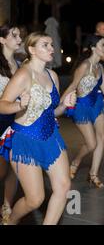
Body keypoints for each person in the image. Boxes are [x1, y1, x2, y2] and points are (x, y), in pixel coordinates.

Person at [0, 32, 76, 225]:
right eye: (45, 45)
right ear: (32, 50)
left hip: (51, 137)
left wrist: (65, 105)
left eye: (51, 45)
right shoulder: (23, 74)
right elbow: (2, 104)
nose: (51, 48)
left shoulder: (52, 75)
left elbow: (51, 111)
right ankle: (10, 221)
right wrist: (19, 106)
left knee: (64, 186)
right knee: (35, 200)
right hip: (25, 140)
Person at [62, 35, 104, 188]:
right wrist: (56, 104)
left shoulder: (100, 68)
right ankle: (76, 161)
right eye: (103, 45)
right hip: (82, 106)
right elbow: (73, 86)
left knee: (102, 138)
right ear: (93, 47)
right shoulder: (85, 66)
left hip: (97, 105)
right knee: (91, 144)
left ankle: (93, 174)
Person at [0, 24, 22, 224]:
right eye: (14, 35)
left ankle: (7, 205)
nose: (19, 38)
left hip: (15, 121)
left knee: (14, 166)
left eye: (19, 35)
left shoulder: (19, 65)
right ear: (2, 39)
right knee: (2, 169)